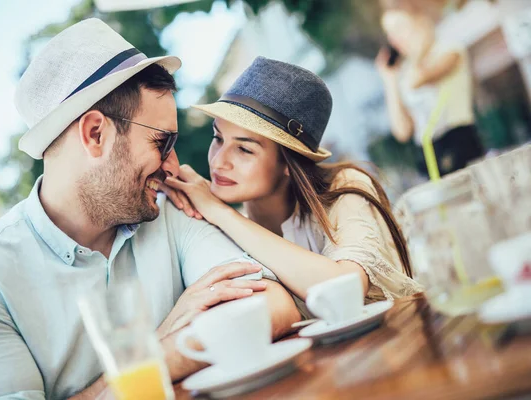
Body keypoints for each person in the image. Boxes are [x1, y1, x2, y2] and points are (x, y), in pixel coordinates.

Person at [0, 20, 300, 400]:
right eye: (162, 141)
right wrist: (152, 349)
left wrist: (145, 365)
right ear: (95, 134)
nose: (173, 166)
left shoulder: (169, 210)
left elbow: (272, 305)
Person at [161, 57, 424, 319]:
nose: (218, 161)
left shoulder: (345, 186)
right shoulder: (221, 230)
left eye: (244, 149)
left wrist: (220, 212)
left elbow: (346, 289)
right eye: (218, 138)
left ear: (288, 162)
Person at [375, 0, 484, 177]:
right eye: (389, 33)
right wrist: (390, 81)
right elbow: (402, 131)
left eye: (399, 28)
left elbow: (418, 80)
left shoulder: (449, 50)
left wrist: (420, 45)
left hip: (458, 142)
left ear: (419, 21)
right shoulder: (404, 72)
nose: (394, 39)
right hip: (428, 152)